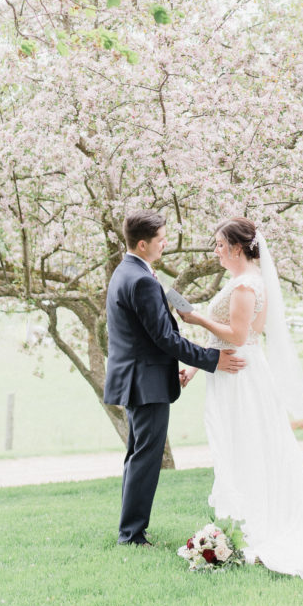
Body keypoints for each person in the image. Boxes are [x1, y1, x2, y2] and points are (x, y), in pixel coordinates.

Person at [178, 216, 303, 578]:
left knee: (247, 443)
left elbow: (237, 335)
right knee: (244, 444)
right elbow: (234, 339)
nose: (215, 251)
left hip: (239, 376)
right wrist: (192, 367)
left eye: (219, 245)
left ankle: (256, 523)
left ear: (236, 247)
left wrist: (198, 319)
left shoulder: (247, 286)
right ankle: (242, 520)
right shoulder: (247, 281)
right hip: (234, 370)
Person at [104, 210, 246, 546]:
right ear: (143, 243)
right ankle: (132, 534)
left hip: (139, 378)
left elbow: (149, 336)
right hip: (144, 383)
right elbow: (164, 339)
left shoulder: (126, 271)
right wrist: (212, 359)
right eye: (161, 238)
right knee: (145, 458)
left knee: (138, 455)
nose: (166, 242)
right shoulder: (140, 279)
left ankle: (131, 529)